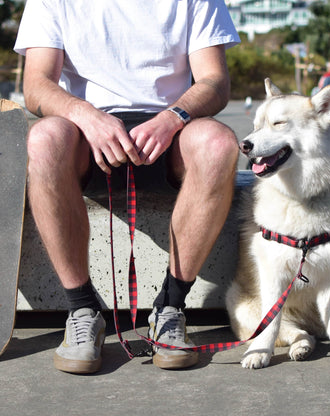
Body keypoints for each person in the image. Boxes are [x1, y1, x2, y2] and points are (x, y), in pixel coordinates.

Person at [14, 0, 240, 373]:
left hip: (171, 132)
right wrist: (86, 116)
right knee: (44, 139)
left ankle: (170, 308)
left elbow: (214, 81)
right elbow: (37, 86)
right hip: (87, 135)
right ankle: (82, 310)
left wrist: (173, 117)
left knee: (219, 144)